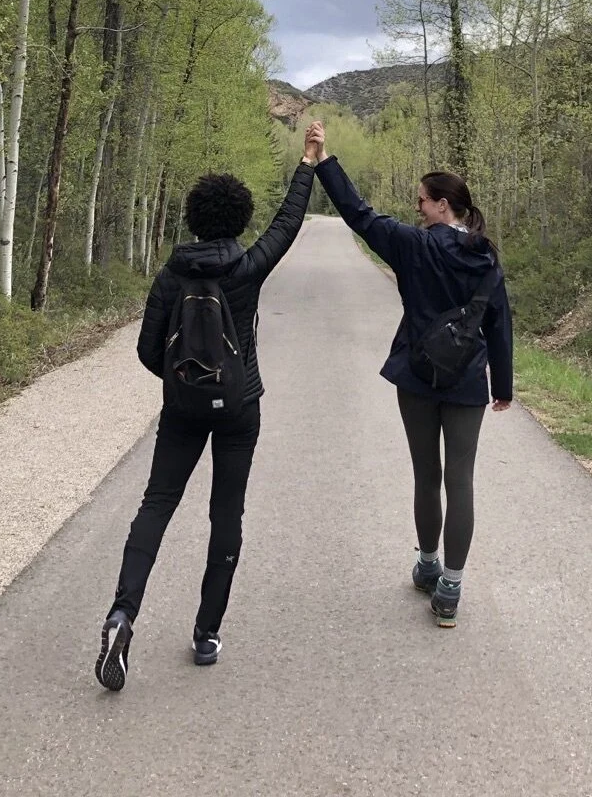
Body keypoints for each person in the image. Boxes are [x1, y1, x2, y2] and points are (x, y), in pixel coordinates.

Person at [94, 139, 318, 691]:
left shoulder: (171, 274)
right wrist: (307, 164)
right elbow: (287, 225)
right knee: (226, 515)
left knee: (156, 506)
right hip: (240, 407)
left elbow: (149, 350)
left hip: (181, 410)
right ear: (239, 218)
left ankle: (122, 615)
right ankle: (206, 633)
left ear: (193, 218)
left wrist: (182, 381)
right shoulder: (246, 267)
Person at [306, 121, 512, 628]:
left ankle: (427, 565)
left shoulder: (412, 246)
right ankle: (450, 591)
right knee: (460, 479)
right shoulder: (486, 257)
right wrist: (502, 387)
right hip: (467, 382)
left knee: (427, 475)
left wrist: (323, 161)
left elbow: (358, 214)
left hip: (418, 376)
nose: (416, 207)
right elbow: (500, 324)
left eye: (422, 200)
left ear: (443, 204)